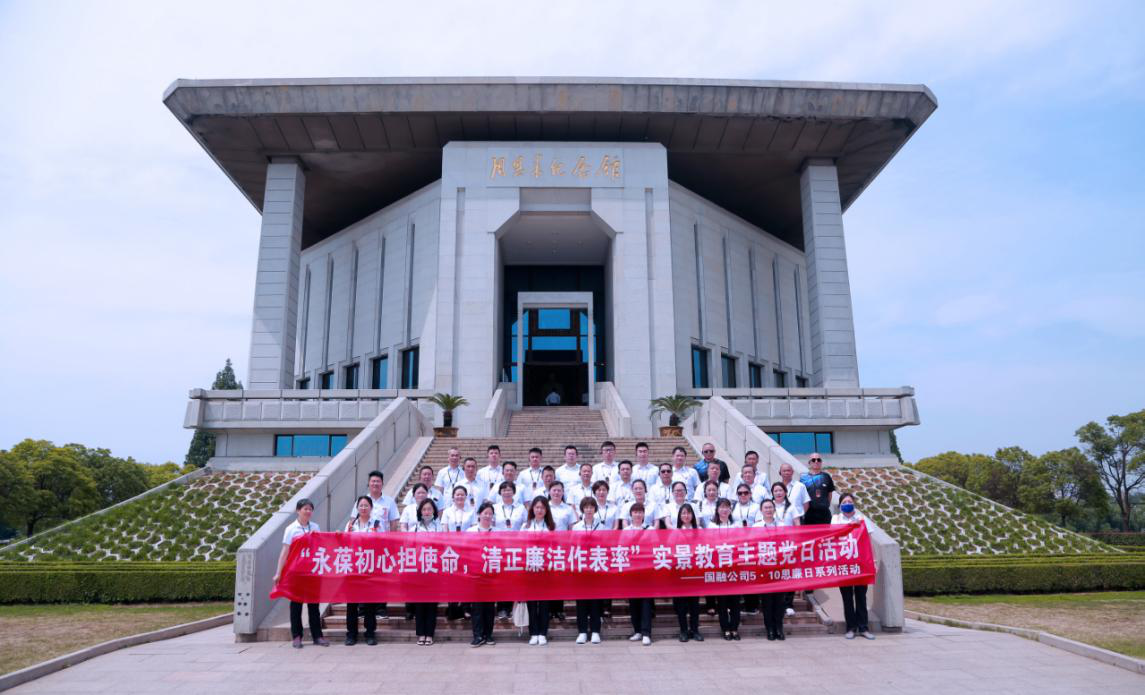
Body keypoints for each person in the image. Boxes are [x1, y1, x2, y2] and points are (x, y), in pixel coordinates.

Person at [274, 498, 329, 649]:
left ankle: (317, 636)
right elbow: (285, 552)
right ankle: (297, 636)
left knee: (314, 605)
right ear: (298, 511)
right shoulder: (291, 529)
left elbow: (321, 547)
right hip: (296, 573)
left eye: (310, 509)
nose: (308, 511)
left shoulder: (315, 527)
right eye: (305, 509)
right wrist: (278, 572)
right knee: (296, 605)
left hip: (312, 573)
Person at [832, 492, 875, 641]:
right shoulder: (836, 519)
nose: (847, 504)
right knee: (847, 597)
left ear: (854, 503)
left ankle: (863, 628)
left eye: (849, 501)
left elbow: (869, 540)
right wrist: (850, 526)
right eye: (844, 502)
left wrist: (873, 561)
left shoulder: (862, 518)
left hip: (860, 564)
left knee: (861, 596)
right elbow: (833, 536)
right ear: (840, 505)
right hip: (843, 564)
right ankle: (850, 628)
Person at [344, 495, 380, 646]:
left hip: (370, 567)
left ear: (371, 508)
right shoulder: (351, 525)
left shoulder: (377, 524)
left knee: (370, 603)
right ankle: (351, 634)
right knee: (351, 603)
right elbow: (344, 542)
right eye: (361, 506)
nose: (363, 508)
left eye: (366, 505)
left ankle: (370, 633)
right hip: (353, 567)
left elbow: (383, 543)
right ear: (357, 508)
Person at [571, 498, 605, 644]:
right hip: (582, 567)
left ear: (595, 509)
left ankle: (596, 631)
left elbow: (605, 545)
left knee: (596, 600)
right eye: (586, 507)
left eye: (591, 507)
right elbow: (573, 546)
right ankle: (582, 631)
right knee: (581, 601)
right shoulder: (576, 527)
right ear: (582, 509)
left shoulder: (601, 526)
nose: (589, 510)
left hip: (596, 566)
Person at [522, 497, 555, 645]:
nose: (539, 510)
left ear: (546, 510)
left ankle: (543, 633)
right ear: (532, 509)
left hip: (545, 569)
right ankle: (533, 632)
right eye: (537, 507)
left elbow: (555, 546)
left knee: (544, 603)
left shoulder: (551, 527)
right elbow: (520, 545)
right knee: (531, 603)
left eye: (542, 507)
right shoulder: (526, 526)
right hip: (530, 568)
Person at [620, 503, 655, 645]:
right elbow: (621, 548)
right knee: (633, 602)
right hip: (631, 571)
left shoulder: (650, 530)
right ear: (631, 514)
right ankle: (637, 631)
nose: (638, 515)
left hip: (646, 570)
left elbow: (655, 546)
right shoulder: (626, 531)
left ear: (644, 514)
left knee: (646, 602)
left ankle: (646, 632)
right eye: (635, 512)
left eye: (640, 512)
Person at [754, 499, 788, 640]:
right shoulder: (756, 526)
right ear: (761, 510)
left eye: (770, 507)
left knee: (779, 601)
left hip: (779, 567)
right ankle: (769, 628)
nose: (768, 510)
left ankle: (779, 627)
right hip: (763, 568)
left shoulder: (782, 525)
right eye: (765, 508)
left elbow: (787, 544)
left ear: (774, 509)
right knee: (767, 601)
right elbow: (752, 545)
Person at [708, 498, 741, 640]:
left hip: (734, 566)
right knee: (722, 601)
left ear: (730, 509)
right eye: (721, 507)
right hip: (718, 567)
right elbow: (709, 545)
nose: (724, 510)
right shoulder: (711, 526)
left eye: (727, 507)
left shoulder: (736, 525)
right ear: (717, 509)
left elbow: (741, 543)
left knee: (735, 601)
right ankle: (725, 628)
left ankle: (734, 628)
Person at [467, 502, 498, 647]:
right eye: (485, 513)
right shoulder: (471, 531)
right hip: (476, 573)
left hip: (492, 574)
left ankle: (489, 634)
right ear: (479, 514)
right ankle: (478, 635)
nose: (487, 516)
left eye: (490, 513)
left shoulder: (497, 532)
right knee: (477, 607)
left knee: (490, 607)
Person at [410, 499, 441, 645]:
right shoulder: (415, 528)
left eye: (429, 509)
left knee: (432, 603)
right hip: (418, 568)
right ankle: (420, 633)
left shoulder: (439, 527)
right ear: (420, 512)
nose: (427, 512)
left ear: (434, 511)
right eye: (424, 509)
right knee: (419, 603)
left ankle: (430, 633)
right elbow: (408, 546)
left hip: (434, 568)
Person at [771, 481, 803, 618]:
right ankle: (776, 603)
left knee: (789, 574)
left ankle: (788, 604)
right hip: (772, 546)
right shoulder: (769, 506)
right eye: (776, 491)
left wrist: (797, 542)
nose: (778, 493)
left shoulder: (791, 507)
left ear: (785, 492)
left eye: (781, 490)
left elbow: (797, 524)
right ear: (772, 493)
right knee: (775, 575)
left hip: (789, 545)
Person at [672, 504, 703, 642]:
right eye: (683, 513)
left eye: (688, 513)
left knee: (694, 604)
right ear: (679, 516)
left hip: (695, 572)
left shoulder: (699, 530)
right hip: (680, 572)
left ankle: (695, 630)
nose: (686, 516)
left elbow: (704, 547)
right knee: (681, 605)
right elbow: (671, 549)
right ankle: (683, 630)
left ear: (693, 515)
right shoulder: (675, 532)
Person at [800, 453, 836, 525]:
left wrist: (825, 505)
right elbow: (801, 495)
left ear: (821, 462)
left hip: (824, 513)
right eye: (813, 460)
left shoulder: (826, 476)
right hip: (809, 514)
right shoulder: (803, 478)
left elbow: (830, 494)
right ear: (809, 463)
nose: (816, 461)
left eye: (818, 460)